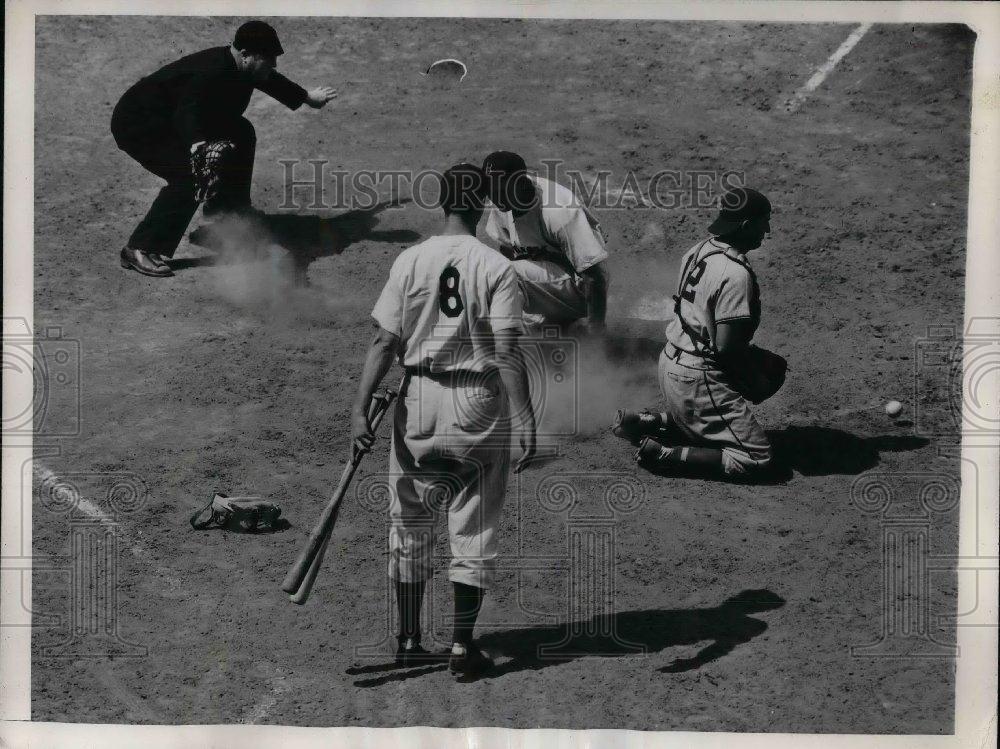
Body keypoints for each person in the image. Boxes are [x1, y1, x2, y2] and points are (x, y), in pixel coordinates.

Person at [351, 163, 536, 679]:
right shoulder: (496, 266)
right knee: (473, 524)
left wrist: (358, 409)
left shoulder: (410, 259)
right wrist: (523, 418)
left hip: (418, 399)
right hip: (477, 402)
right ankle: (460, 646)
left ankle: (409, 639)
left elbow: (383, 341)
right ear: (481, 208)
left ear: (441, 203)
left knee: (409, 521)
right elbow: (505, 352)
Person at [111, 20, 337, 277]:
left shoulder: (243, 66)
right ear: (245, 54)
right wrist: (198, 147)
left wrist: (307, 97)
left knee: (240, 132)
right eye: (269, 58)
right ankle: (140, 248)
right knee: (191, 175)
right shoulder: (211, 71)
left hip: (172, 117)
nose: (273, 64)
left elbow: (268, 78)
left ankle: (229, 216)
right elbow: (187, 112)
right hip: (140, 124)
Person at [612, 187, 782, 480]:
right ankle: (665, 455)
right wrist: (753, 381)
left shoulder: (699, 249)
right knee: (756, 458)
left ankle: (647, 422)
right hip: (695, 378)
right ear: (745, 225)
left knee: (772, 366)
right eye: (763, 222)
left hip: (670, 362)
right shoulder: (735, 275)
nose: (766, 230)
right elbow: (727, 350)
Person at [480, 151, 610, 332]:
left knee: (505, 274)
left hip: (582, 287)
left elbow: (595, 275)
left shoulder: (559, 210)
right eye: (490, 190)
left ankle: (510, 348)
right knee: (490, 275)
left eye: (500, 190)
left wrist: (595, 327)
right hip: (551, 282)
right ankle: (550, 322)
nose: (494, 197)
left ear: (520, 181)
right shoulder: (504, 201)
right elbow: (506, 248)